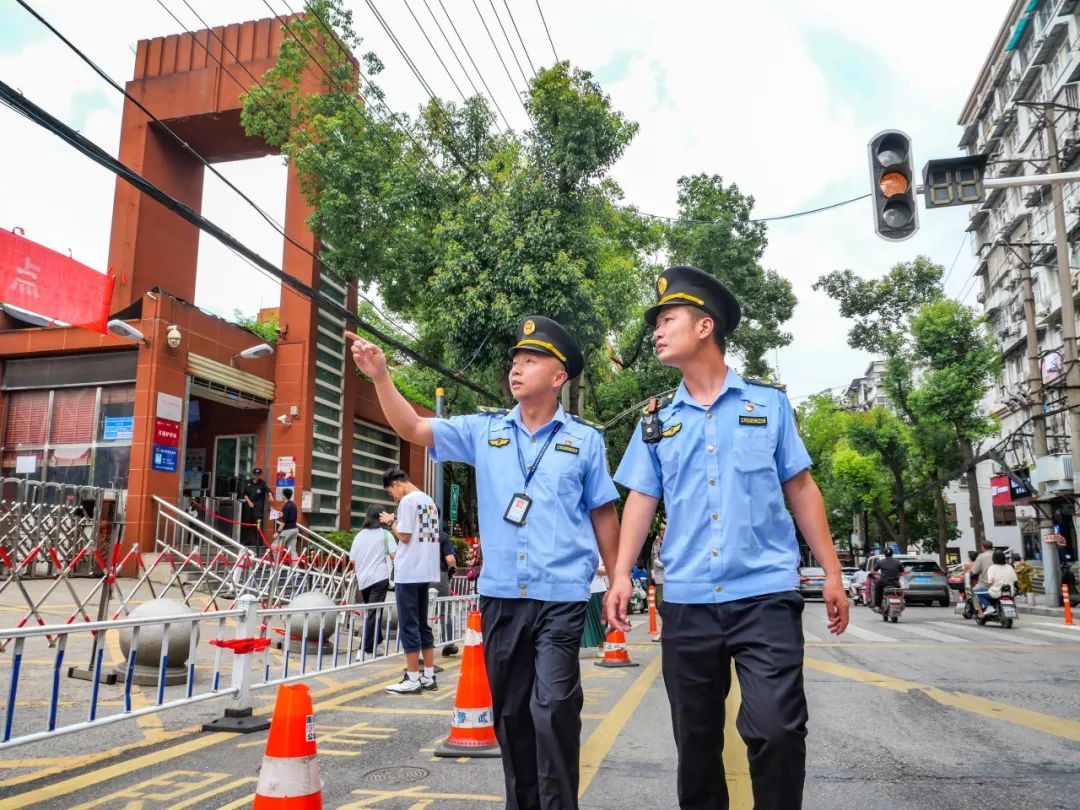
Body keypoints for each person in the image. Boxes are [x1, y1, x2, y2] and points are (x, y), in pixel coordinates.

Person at [348, 315, 620, 810]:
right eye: (515, 360)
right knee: (512, 716)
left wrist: (619, 577)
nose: (516, 368)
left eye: (530, 361)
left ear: (559, 376)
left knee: (554, 708)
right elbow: (413, 427)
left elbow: (603, 511)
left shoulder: (585, 440)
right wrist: (381, 376)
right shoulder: (484, 430)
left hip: (560, 596)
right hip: (501, 597)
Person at [605, 265, 848, 810]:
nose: (656, 331)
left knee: (778, 731)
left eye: (667, 320)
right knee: (695, 745)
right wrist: (621, 574)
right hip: (688, 601)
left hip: (765, 596)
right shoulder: (656, 420)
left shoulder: (769, 405)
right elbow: (641, 499)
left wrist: (832, 572)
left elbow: (802, 488)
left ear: (704, 326)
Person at [380, 468, 441, 694]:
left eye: (391, 492)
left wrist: (390, 522)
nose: (393, 497)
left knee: (409, 624)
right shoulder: (428, 501)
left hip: (409, 571)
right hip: (426, 569)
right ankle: (429, 675)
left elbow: (404, 536)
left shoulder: (407, 501)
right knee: (423, 624)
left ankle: (412, 677)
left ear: (397, 484)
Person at [349, 504, 396, 654]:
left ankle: (377, 639)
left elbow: (353, 560)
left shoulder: (359, 536)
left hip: (363, 580)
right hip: (380, 578)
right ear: (381, 517)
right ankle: (365, 649)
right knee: (373, 613)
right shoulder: (385, 535)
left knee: (372, 611)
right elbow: (395, 556)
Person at [435, 523, 459, 657]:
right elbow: (450, 559)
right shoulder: (442, 536)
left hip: (419, 576)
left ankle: (421, 645)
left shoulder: (416, 534)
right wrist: (453, 569)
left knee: (421, 611)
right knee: (445, 612)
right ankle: (448, 644)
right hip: (439, 575)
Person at [240, 467, 273, 548]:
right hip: (248, 507)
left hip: (258, 508)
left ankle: (258, 542)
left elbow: (268, 490)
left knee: (258, 525)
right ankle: (247, 541)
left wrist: (270, 495)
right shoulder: (248, 482)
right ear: (253, 475)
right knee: (247, 523)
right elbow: (244, 494)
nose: (256, 476)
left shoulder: (262, 483)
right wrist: (249, 502)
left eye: (258, 475)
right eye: (255, 475)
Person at [581, 565, 608, 656]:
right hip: (580, 591)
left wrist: (591, 567)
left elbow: (606, 571)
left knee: (599, 619)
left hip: (598, 590)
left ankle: (602, 647)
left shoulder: (599, 556)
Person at [872, 548, 904, 612]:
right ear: (892, 554)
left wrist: (878, 573)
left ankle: (877, 606)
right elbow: (902, 572)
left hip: (883, 582)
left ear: (885, 554)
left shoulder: (881, 562)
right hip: (895, 583)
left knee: (877, 589)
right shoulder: (898, 562)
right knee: (900, 591)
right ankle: (901, 602)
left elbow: (872, 571)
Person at [970, 539, 995, 615]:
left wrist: (969, 573)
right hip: (1000, 583)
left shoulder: (981, 556)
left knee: (974, 591)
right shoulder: (998, 555)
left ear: (983, 547)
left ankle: (980, 612)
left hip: (985, 584)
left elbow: (973, 572)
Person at [275, 487, 299, 556]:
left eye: (282, 494)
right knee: (292, 550)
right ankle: (295, 563)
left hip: (287, 530)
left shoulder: (286, 506)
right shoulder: (293, 505)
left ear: (284, 496)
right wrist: (281, 514)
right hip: (295, 529)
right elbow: (289, 516)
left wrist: (277, 532)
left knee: (275, 546)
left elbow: (283, 522)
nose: (281, 496)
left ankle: (276, 562)